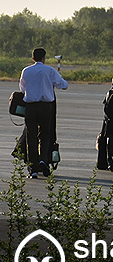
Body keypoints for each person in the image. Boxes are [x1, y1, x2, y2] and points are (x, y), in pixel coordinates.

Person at [19, 47, 68, 178]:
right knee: (45, 135)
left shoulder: (26, 71)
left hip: (30, 107)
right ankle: (43, 160)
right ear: (44, 58)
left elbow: (23, 88)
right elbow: (63, 85)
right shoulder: (49, 70)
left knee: (31, 137)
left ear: (33, 58)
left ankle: (33, 168)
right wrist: (58, 79)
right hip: (46, 107)